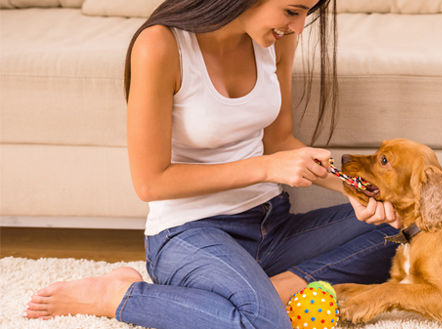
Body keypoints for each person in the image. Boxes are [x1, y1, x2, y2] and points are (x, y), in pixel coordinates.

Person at [23, 0, 402, 328]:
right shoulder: (160, 45)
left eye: (305, 13)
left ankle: (280, 286)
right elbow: (150, 183)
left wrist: (353, 190)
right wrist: (267, 168)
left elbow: (279, 140)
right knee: (264, 323)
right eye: (291, 11)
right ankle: (118, 295)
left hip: (271, 224)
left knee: (405, 227)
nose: (298, 26)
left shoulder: (278, 40)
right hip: (189, 233)